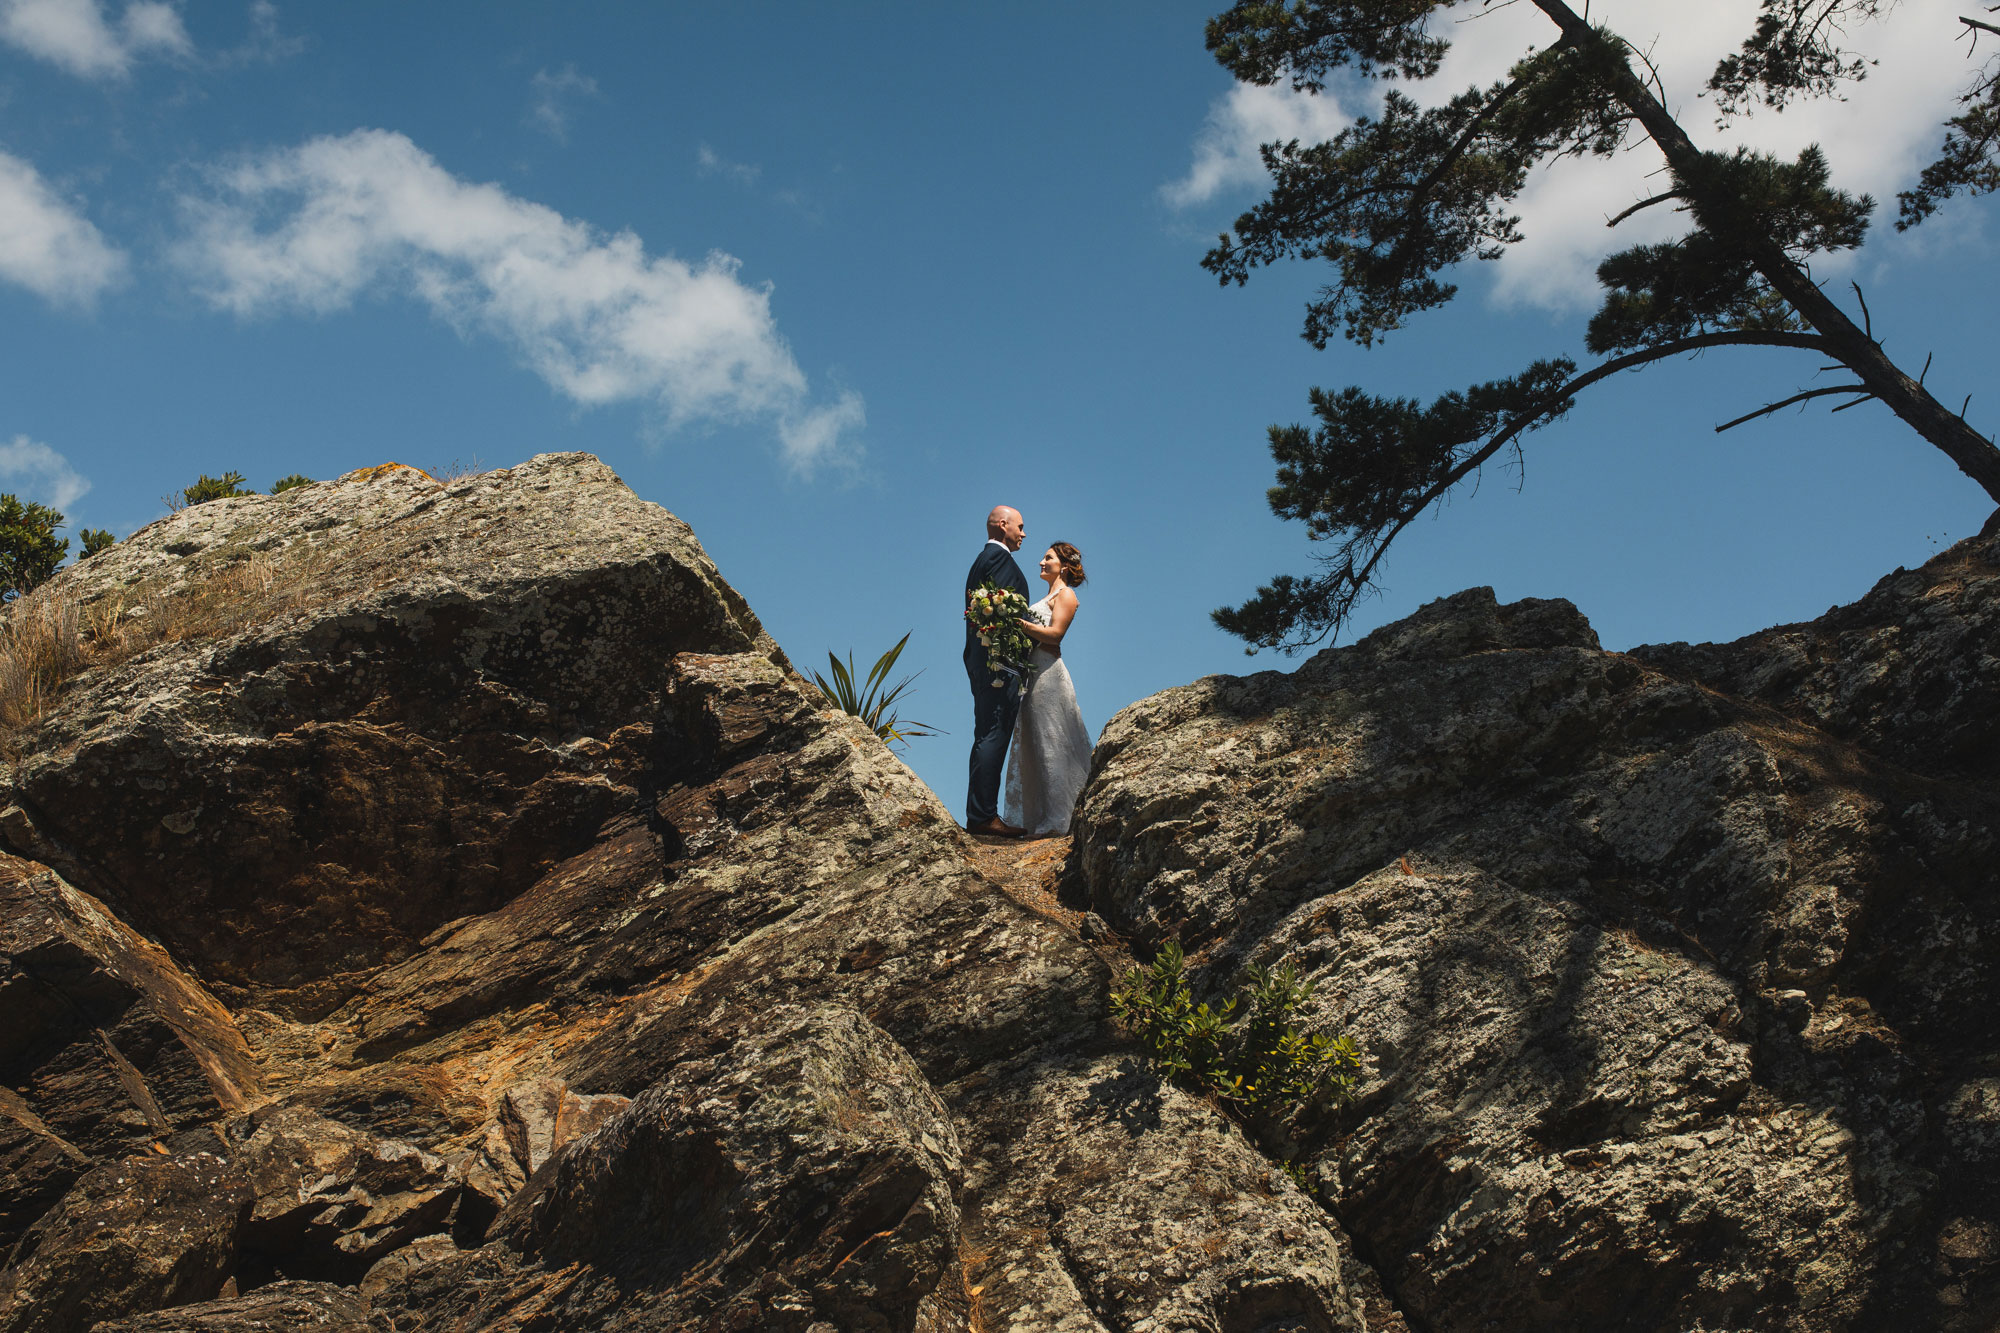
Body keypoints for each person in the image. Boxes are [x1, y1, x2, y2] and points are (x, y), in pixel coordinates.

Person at [1003, 542, 1094, 837]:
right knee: (1036, 741)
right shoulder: (1049, 595)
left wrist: (1019, 625)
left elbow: (1055, 636)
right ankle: (1038, 814)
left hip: (1049, 676)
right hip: (1033, 675)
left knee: (1052, 740)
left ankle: (1060, 817)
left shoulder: (1066, 594)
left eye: (1048, 558)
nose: (1041, 562)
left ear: (1064, 566)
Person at [965, 505, 1030, 836]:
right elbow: (1004, 614)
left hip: (981, 661)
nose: (1023, 533)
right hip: (998, 664)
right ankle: (982, 817)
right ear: (1002, 524)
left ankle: (980, 813)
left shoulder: (980, 561)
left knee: (985, 734)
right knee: (993, 732)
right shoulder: (1000, 560)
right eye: (1020, 526)